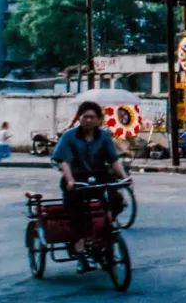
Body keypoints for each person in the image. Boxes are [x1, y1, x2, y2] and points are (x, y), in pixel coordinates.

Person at [52, 101, 131, 272]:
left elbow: (113, 160)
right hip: (76, 180)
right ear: (79, 118)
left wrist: (125, 177)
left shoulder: (103, 136)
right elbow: (63, 161)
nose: (88, 120)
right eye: (85, 117)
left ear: (98, 120)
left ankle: (105, 230)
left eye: (92, 117)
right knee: (76, 215)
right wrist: (71, 180)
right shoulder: (69, 136)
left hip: (99, 176)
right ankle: (81, 254)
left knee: (116, 199)